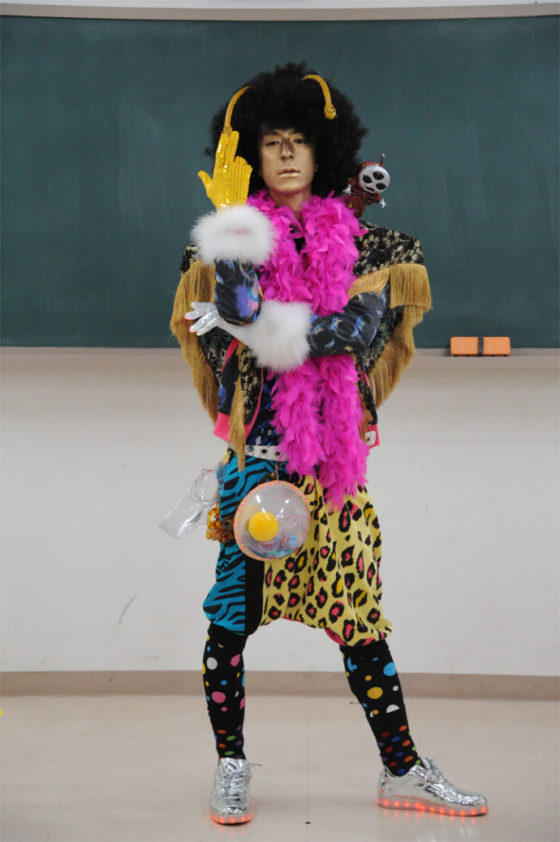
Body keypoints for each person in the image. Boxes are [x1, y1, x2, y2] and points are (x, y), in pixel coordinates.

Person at [171, 62, 487, 826]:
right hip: (257, 471)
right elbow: (230, 334)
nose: (286, 154)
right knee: (228, 626)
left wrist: (273, 328)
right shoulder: (226, 248)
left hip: (334, 474)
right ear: (251, 153)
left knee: (361, 624)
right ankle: (232, 766)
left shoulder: (374, 249)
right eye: (271, 142)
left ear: (324, 151)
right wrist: (243, 265)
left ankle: (402, 769)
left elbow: (360, 334)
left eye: (299, 141)